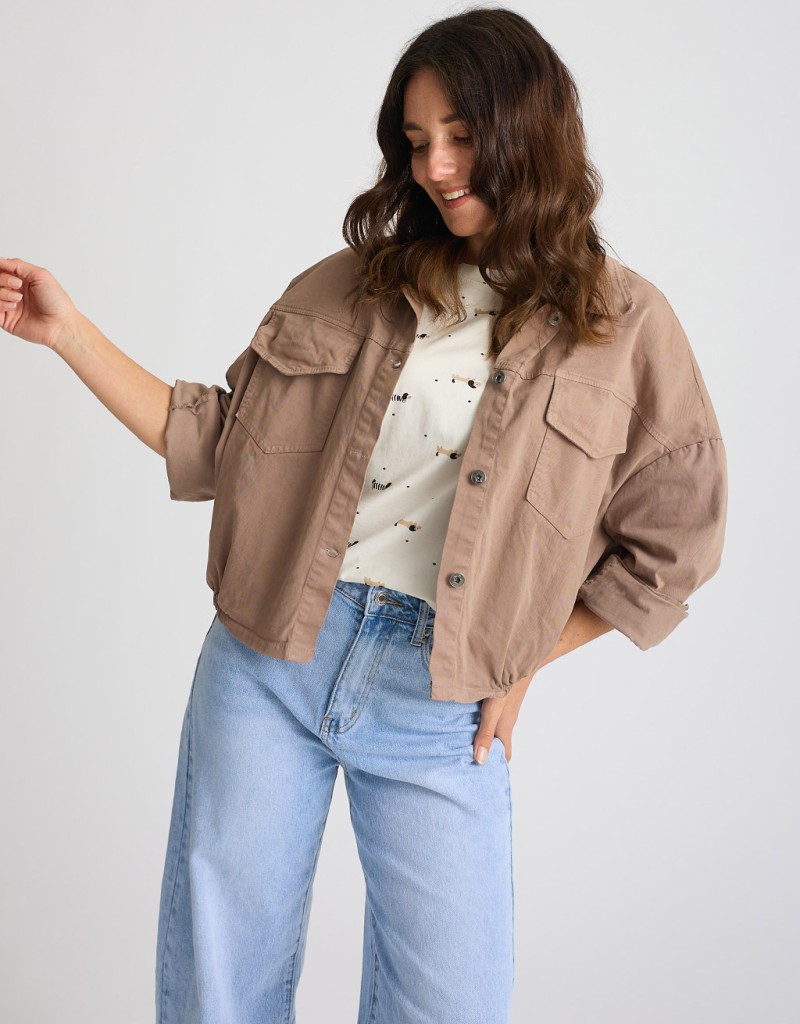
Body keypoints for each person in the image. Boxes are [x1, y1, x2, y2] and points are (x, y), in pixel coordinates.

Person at [0, 7, 728, 1023]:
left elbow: (674, 542)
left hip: (440, 700)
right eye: (417, 141)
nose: (436, 168)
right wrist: (66, 332)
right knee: (220, 987)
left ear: (530, 130)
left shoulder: (624, 324)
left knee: (452, 1002)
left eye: (460, 136)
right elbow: (216, 441)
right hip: (267, 662)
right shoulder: (353, 286)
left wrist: (524, 655)